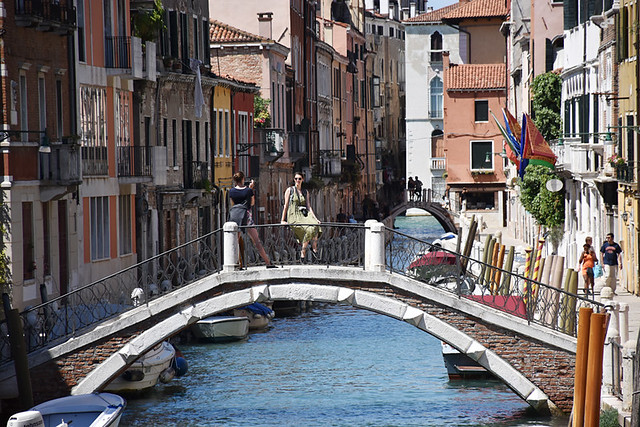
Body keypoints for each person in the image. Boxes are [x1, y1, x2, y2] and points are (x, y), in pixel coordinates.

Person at [229, 172, 277, 268]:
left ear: (235, 180)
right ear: (243, 179)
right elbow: (252, 203)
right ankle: (268, 262)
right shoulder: (248, 191)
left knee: (235, 241)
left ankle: (237, 264)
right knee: (256, 241)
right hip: (246, 217)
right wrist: (250, 189)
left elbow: (232, 203)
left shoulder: (231, 191)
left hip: (234, 217)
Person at [280, 172, 322, 263]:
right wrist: (283, 220)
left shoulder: (305, 192)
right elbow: (286, 205)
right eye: (296, 179)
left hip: (304, 214)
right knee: (308, 229)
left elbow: (309, 206)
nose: (297, 180)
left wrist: (315, 218)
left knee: (315, 225)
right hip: (293, 214)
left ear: (302, 179)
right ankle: (303, 252)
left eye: (299, 179)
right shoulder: (289, 190)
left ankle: (314, 250)